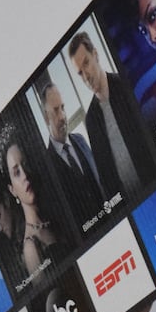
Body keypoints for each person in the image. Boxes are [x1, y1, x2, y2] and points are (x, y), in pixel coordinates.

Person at [68, 30, 156, 202]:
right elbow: (105, 176)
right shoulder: (91, 120)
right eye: (79, 72)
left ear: (95, 55)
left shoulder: (126, 85)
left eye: (86, 63)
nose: (86, 76)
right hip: (130, 205)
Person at [0, 120, 65, 281]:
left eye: (24, 164)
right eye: (16, 173)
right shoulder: (31, 247)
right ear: (12, 190)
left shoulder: (53, 218)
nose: (25, 175)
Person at [36, 78, 105, 228]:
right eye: (55, 110)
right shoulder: (46, 169)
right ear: (46, 117)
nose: (62, 116)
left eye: (63, 107)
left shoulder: (81, 141)